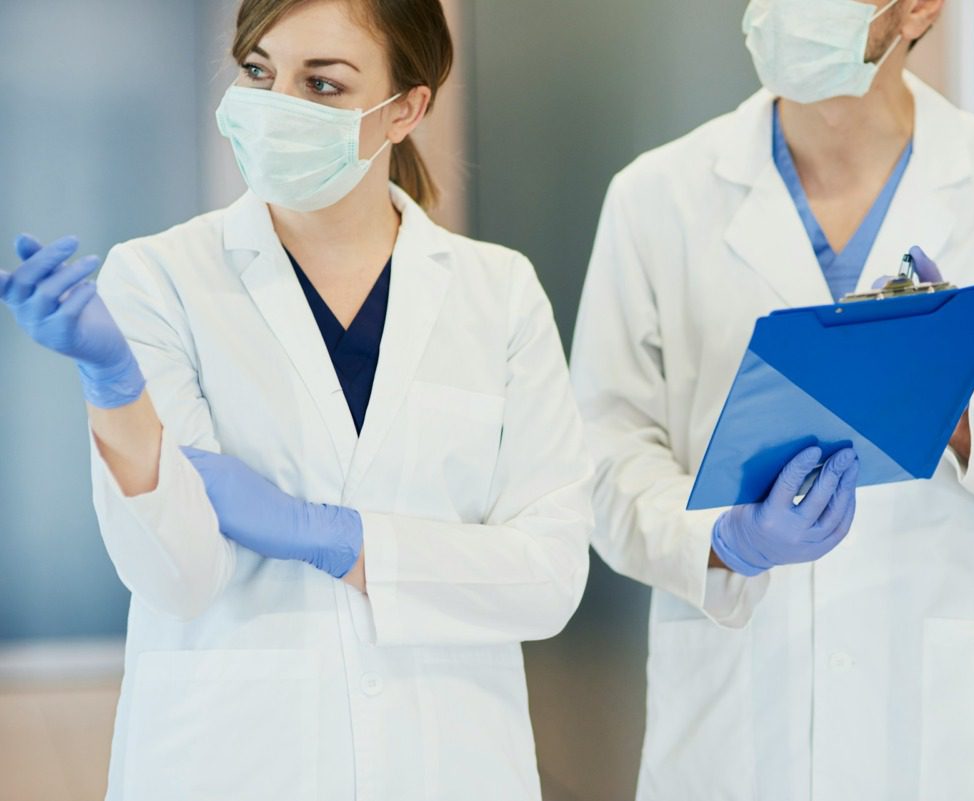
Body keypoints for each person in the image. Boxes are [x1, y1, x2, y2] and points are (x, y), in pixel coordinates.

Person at [0, 0, 592, 798]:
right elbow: (179, 578)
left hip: (447, 760)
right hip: (234, 758)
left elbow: (548, 576)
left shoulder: (499, 293)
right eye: (258, 71)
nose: (278, 107)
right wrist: (115, 389)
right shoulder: (160, 278)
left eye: (323, 84)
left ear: (406, 110)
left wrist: (335, 537)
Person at [570, 0, 974, 798]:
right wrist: (726, 539)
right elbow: (598, 460)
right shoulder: (656, 196)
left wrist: (957, 407)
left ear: (918, 8)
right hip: (738, 724)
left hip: (949, 739)